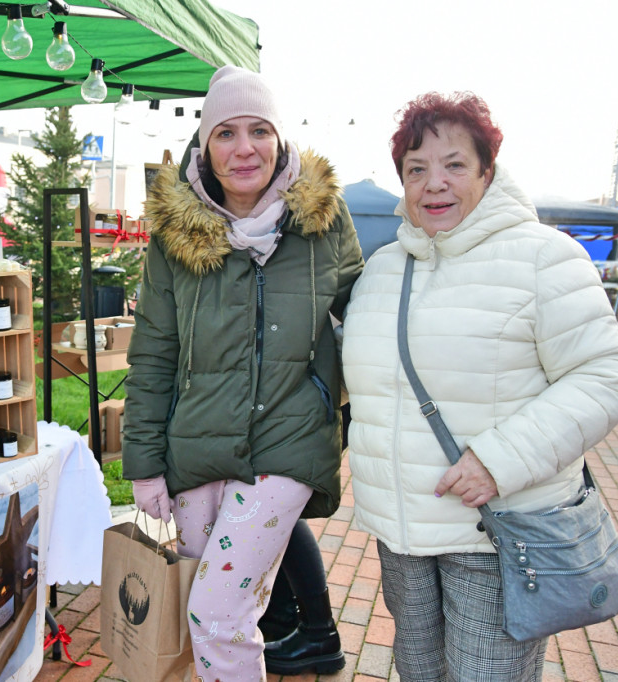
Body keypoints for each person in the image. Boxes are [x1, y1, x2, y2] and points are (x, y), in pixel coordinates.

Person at [342, 92, 618, 681]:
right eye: (416, 169)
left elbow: (606, 373)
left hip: (497, 529)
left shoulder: (543, 258)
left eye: (454, 165)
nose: (434, 185)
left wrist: (496, 461)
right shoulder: (381, 271)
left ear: (487, 171)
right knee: (418, 671)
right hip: (401, 532)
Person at [122, 65, 364, 680]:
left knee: (215, 610)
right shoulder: (173, 238)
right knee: (223, 608)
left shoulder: (323, 221)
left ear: (281, 139)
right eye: (226, 133)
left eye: (259, 130)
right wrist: (144, 461)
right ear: (204, 147)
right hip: (194, 448)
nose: (244, 148)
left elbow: (365, 314)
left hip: (288, 442)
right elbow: (152, 354)